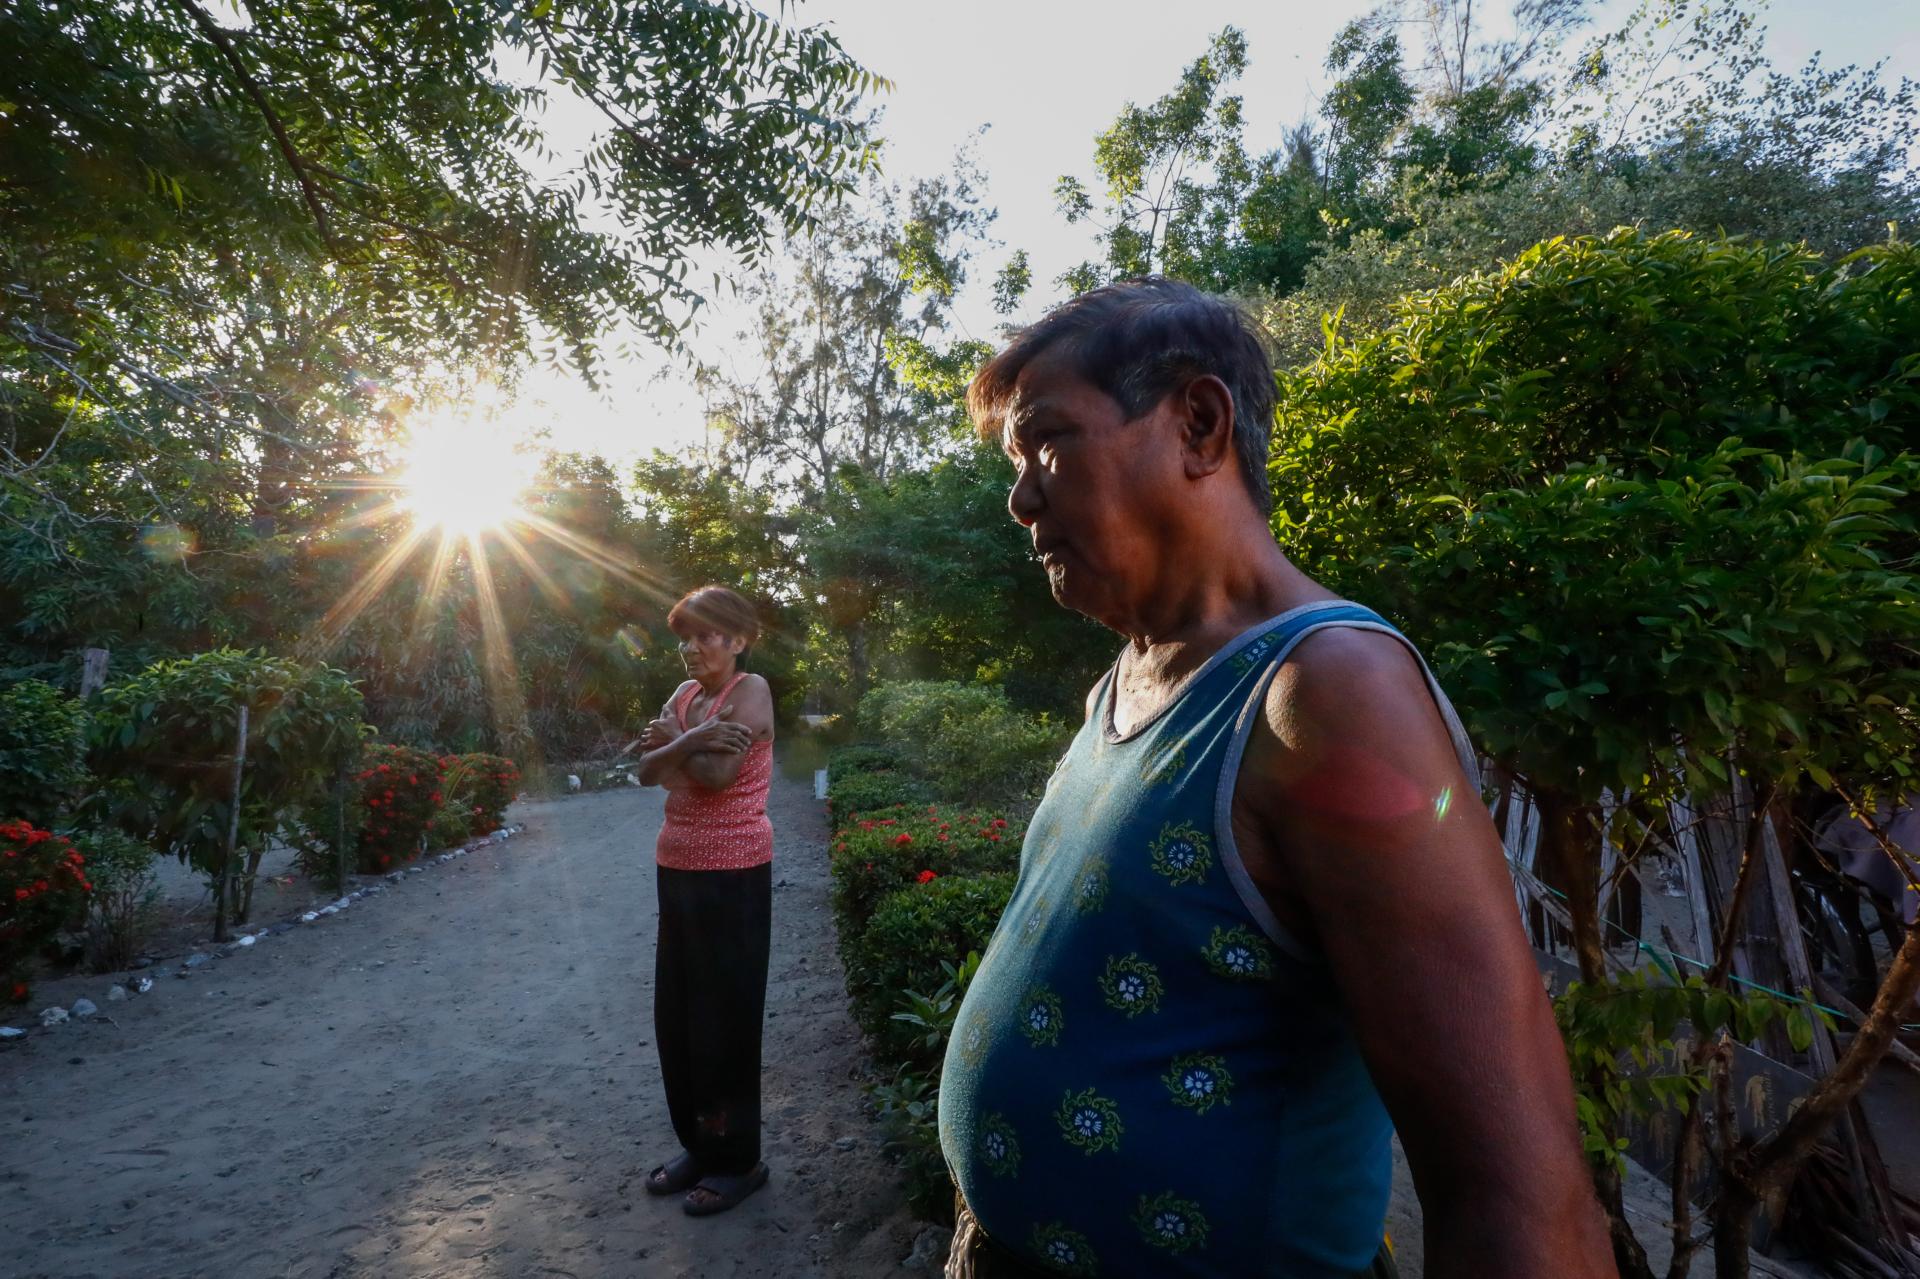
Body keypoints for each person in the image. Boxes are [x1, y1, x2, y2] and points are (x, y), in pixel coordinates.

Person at [938, 278, 1617, 1278]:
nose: (1021, 495)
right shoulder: (1128, 675)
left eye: (1048, 441)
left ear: (1198, 424)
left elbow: (1513, 1187)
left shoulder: (1329, 694)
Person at [635, 585, 777, 1216]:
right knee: (681, 1018)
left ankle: (739, 1160)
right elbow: (645, 772)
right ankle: (700, 1143)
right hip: (678, 867)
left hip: (734, 871)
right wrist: (692, 737)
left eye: (706, 635)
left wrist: (674, 741)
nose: (691, 649)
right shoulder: (689, 698)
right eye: (684, 638)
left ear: (738, 638)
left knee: (727, 1018)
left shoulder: (751, 691)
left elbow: (718, 782)